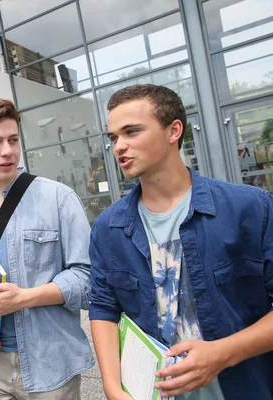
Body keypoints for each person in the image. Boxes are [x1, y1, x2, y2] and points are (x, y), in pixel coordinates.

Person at [89, 84, 273, 400]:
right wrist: (111, 385)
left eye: (131, 131)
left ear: (174, 131)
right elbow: (103, 308)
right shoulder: (109, 227)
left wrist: (223, 353)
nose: (119, 146)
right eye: (114, 137)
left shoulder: (250, 209)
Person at [0, 96, 94, 399]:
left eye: (12, 139)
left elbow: (88, 279)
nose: (7, 151)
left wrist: (24, 298)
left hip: (51, 361)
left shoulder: (58, 198)